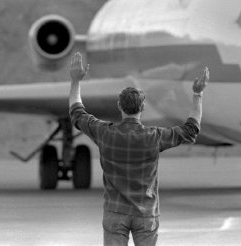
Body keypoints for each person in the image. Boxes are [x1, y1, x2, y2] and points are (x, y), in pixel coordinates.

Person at [68, 52, 209, 246]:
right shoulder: (154, 137)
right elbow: (191, 130)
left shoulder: (105, 133)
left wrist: (76, 81)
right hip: (146, 213)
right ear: (142, 108)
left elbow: (76, 112)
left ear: (119, 106)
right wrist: (197, 94)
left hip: (115, 211)